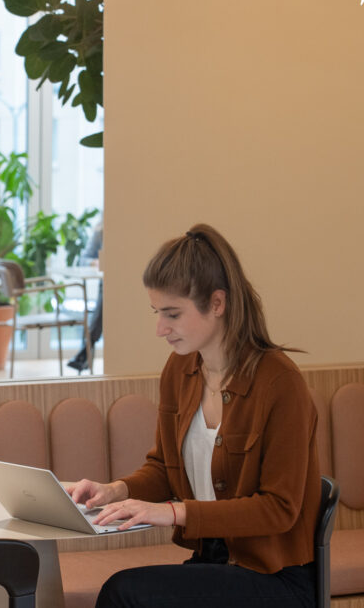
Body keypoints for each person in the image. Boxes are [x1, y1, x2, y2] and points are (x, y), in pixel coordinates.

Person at [67, 223, 318, 608]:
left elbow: (279, 509)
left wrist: (172, 513)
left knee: (125, 593)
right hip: (215, 564)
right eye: (157, 312)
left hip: (275, 578)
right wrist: (115, 490)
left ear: (217, 304)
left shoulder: (280, 383)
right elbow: (164, 469)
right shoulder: (179, 370)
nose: (160, 329)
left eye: (172, 314)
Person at [67, 218, 103, 372]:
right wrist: (95, 262)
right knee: (105, 296)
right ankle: (87, 347)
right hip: (107, 284)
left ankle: (86, 349)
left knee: (103, 302)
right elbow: (83, 260)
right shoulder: (101, 232)